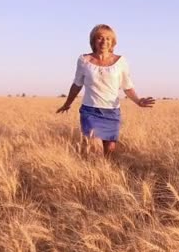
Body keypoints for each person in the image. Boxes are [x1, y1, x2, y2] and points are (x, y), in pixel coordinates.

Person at [56, 24, 155, 156]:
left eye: (108, 38)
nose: (104, 41)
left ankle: (103, 174)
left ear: (113, 42)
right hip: (90, 111)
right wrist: (67, 104)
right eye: (100, 38)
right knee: (96, 151)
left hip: (112, 112)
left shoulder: (121, 61)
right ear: (93, 41)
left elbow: (127, 86)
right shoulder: (84, 60)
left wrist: (138, 101)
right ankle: (94, 174)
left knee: (110, 150)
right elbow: (77, 85)